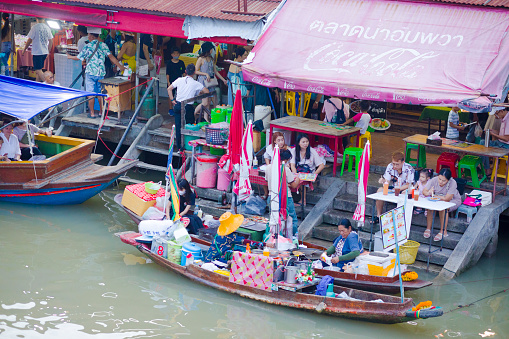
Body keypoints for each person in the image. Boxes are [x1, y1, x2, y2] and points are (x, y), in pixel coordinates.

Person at [67, 27, 125, 118]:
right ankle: (101, 112)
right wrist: (120, 66)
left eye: (89, 35)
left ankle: (92, 113)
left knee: (90, 94)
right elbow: (111, 57)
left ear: (91, 36)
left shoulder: (88, 46)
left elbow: (79, 57)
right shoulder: (103, 45)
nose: (88, 37)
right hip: (101, 73)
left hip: (90, 73)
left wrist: (69, 57)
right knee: (100, 93)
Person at [167, 63, 209, 150]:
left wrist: (172, 100)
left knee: (179, 127)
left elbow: (169, 89)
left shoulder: (179, 80)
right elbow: (207, 91)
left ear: (185, 71)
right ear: (194, 73)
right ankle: (189, 145)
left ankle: (180, 147)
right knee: (190, 125)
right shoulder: (195, 83)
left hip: (178, 105)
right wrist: (199, 93)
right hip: (187, 107)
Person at [265, 149, 301, 237]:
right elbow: (293, 185)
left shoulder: (268, 167)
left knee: (274, 218)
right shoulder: (285, 169)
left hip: (271, 196)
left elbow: (267, 181)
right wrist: (298, 179)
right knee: (291, 218)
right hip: (285, 197)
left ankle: (275, 237)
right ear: (285, 160)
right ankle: (291, 237)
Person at [422, 168, 462, 241]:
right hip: (439, 200)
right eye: (439, 179)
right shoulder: (434, 180)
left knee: (443, 208)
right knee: (430, 207)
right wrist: (429, 193)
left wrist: (435, 196)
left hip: (453, 200)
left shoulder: (452, 183)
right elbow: (424, 191)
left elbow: (447, 198)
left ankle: (443, 231)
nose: (441, 182)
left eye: (444, 181)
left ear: (448, 180)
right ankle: (428, 228)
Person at [375, 151, 415, 220]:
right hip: (394, 188)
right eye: (394, 164)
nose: (395, 166)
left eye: (397, 164)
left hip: (404, 188)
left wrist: (399, 189)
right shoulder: (390, 166)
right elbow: (387, 181)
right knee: (379, 190)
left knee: (404, 192)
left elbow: (409, 184)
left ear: (403, 162)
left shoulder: (409, 168)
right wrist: (383, 181)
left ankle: (400, 218)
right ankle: (378, 215)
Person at [195, 42, 227, 109]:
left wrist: (224, 80)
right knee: (205, 102)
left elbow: (215, 71)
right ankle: (195, 113)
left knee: (210, 102)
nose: (212, 50)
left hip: (210, 82)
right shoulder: (200, 59)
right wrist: (205, 74)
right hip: (203, 82)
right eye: (211, 49)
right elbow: (195, 71)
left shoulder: (211, 59)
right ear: (208, 50)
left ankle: (206, 118)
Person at [22, 17, 53, 82]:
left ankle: (47, 83)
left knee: (38, 70)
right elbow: (51, 41)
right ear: (44, 19)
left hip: (37, 52)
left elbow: (29, 40)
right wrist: (48, 51)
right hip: (44, 52)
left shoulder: (34, 27)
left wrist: (24, 49)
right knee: (39, 71)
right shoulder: (47, 28)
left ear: (36, 19)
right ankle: (38, 84)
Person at [481, 108, 509, 176]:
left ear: (502, 111)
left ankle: (486, 169)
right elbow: (502, 134)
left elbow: (506, 138)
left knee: (485, 148)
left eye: (496, 113)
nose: (495, 116)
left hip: (505, 146)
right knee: (482, 142)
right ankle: (486, 168)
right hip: (500, 142)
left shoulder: (508, 120)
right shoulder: (503, 118)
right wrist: (493, 131)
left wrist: (493, 134)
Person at [165, 46, 185, 116]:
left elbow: (184, 73)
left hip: (180, 82)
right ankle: (170, 109)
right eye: (174, 54)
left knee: (179, 95)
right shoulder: (169, 63)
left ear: (179, 54)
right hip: (171, 82)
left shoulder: (181, 63)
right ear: (171, 54)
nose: (176, 55)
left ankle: (178, 108)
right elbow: (167, 74)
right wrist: (168, 83)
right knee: (171, 95)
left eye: (177, 53)